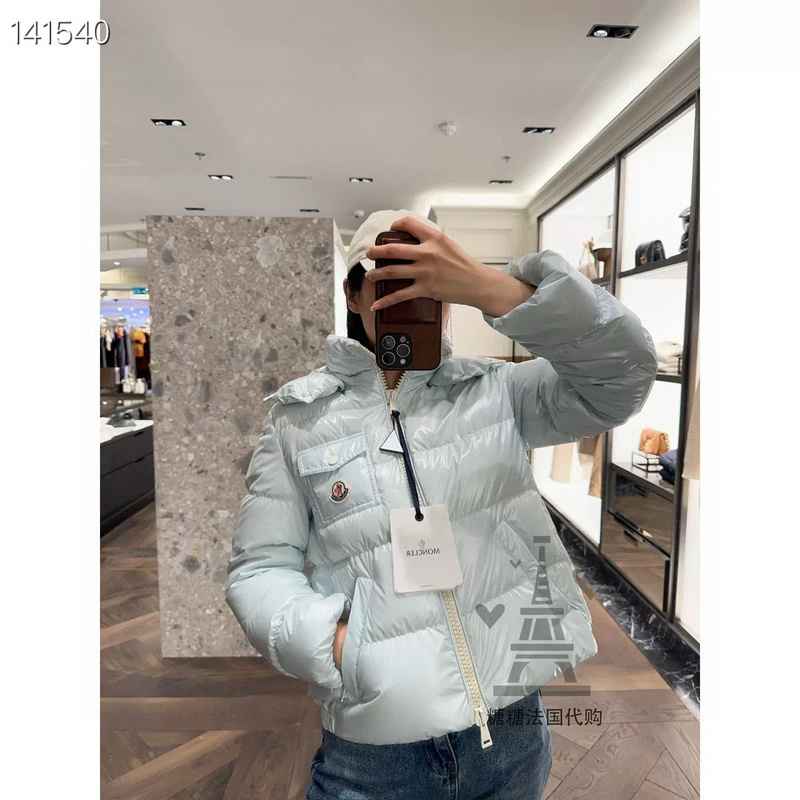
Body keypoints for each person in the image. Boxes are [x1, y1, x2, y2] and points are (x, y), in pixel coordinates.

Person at [224, 209, 658, 799]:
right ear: (353, 295)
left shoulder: (495, 393)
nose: (413, 298)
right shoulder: (298, 420)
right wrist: (335, 646)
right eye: (393, 281)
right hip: (375, 748)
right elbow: (259, 567)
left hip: (510, 730)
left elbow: (624, 375)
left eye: (431, 284)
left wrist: (494, 288)